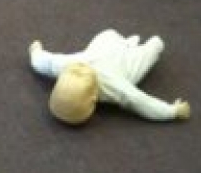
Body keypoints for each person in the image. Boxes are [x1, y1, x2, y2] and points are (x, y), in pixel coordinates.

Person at [29, 29, 191, 124]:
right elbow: (44, 62)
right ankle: (137, 44)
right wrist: (35, 51)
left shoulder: (113, 86)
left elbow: (139, 100)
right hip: (108, 45)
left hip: (121, 61)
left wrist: (172, 111)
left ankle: (151, 44)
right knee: (117, 39)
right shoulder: (66, 65)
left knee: (152, 49)